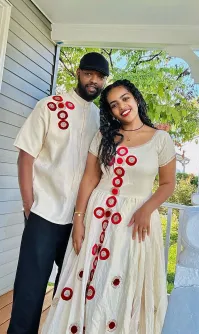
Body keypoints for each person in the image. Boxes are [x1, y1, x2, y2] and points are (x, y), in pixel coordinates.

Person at [42, 79, 176, 334]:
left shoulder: (160, 139)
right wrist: (79, 219)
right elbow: (90, 178)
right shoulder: (104, 136)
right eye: (114, 105)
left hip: (134, 222)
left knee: (122, 282)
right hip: (96, 217)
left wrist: (146, 209)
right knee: (88, 279)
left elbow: (168, 184)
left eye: (125, 98)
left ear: (135, 98)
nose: (121, 107)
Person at [8, 52, 109, 334]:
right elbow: (25, 157)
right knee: (30, 289)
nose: (94, 81)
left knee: (70, 290)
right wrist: (30, 205)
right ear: (78, 73)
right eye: (89, 73)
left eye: (100, 77)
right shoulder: (50, 106)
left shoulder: (100, 118)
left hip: (79, 219)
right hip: (44, 212)